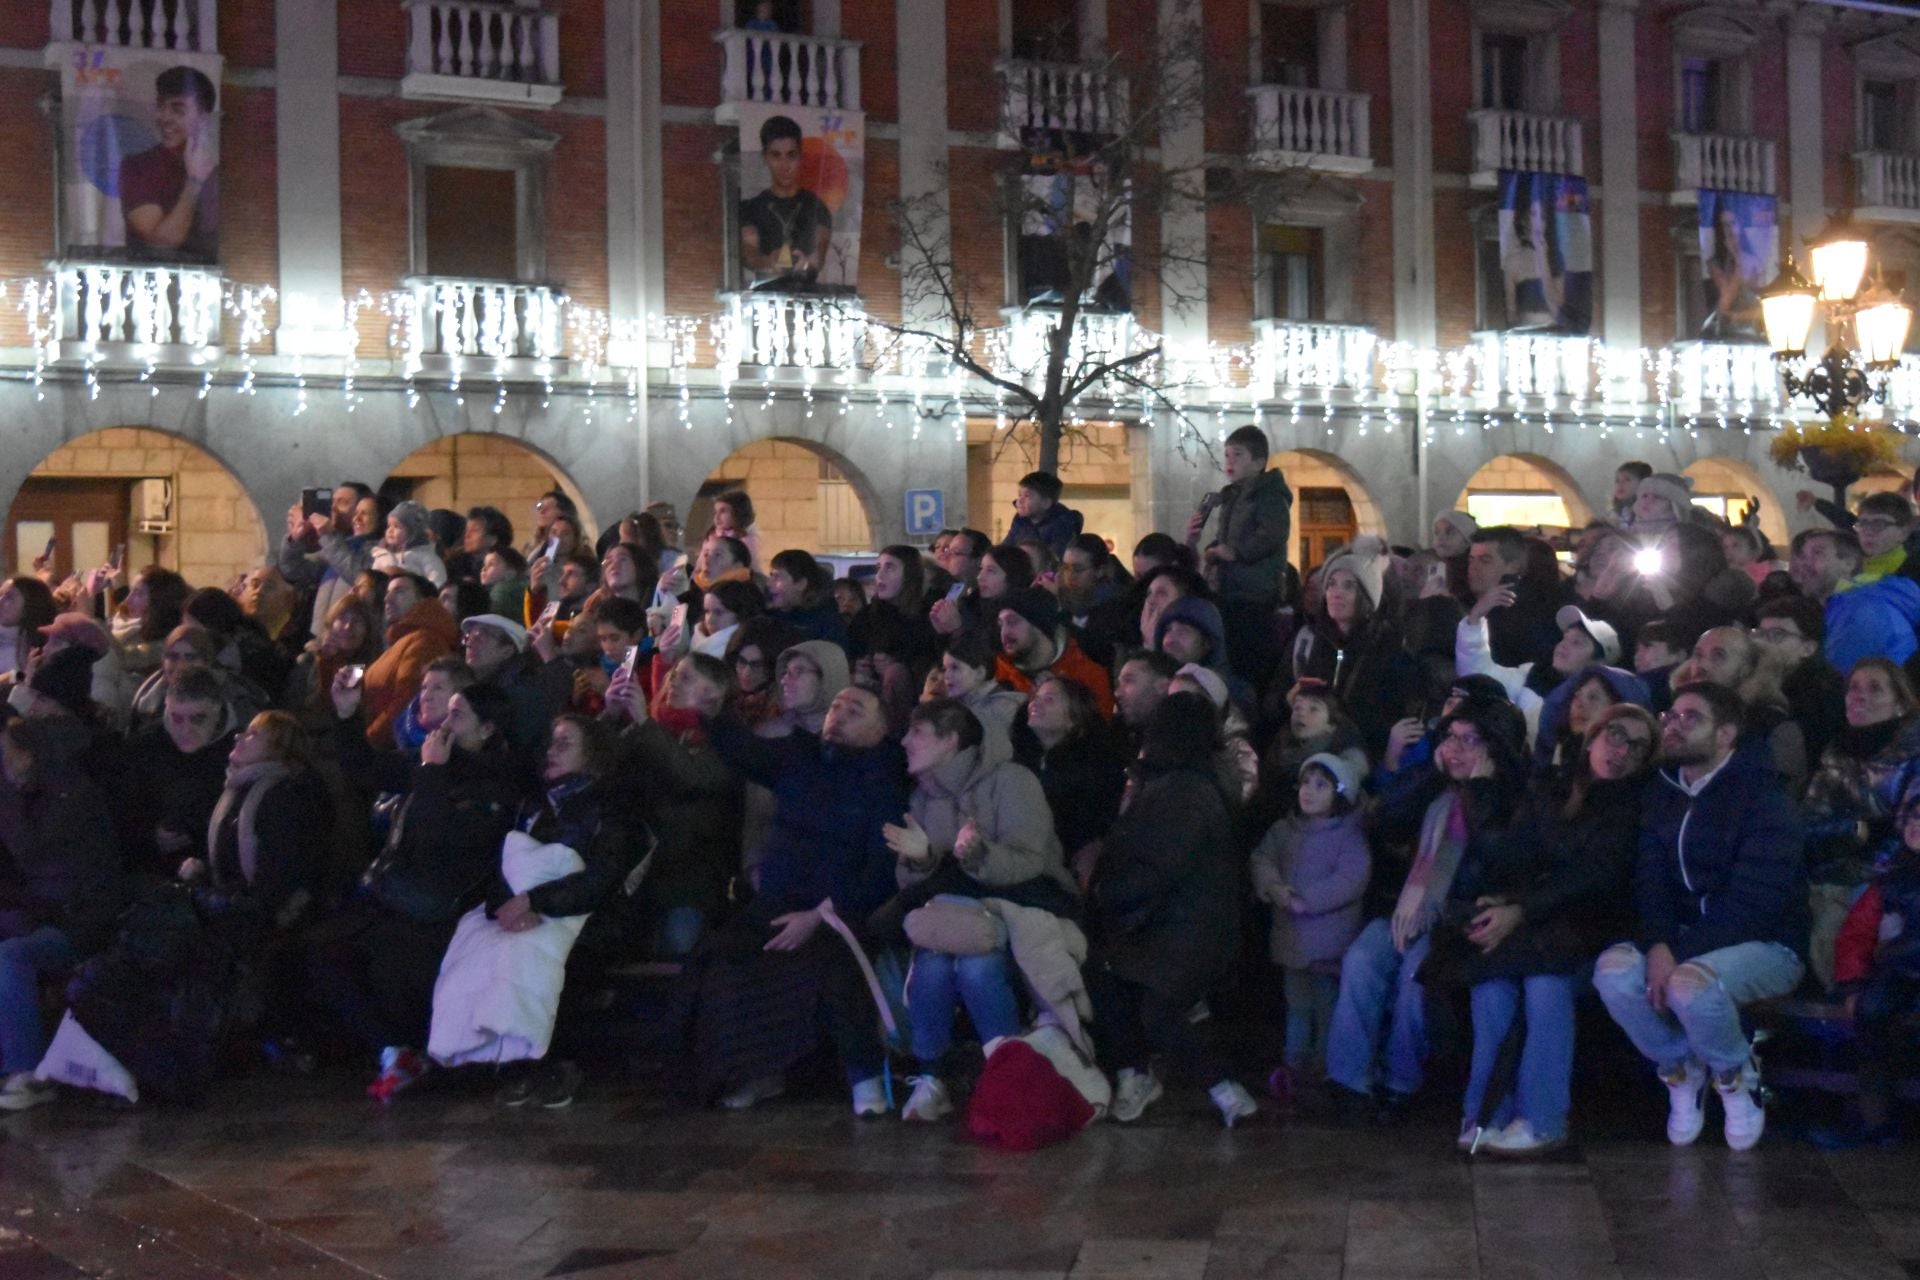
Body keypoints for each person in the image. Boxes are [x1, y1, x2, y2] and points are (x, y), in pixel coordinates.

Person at [61, 712, 333, 1103]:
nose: (241, 738)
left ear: (278, 749)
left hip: (262, 915)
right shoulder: (236, 792)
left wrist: (213, 899)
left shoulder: (287, 796)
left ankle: (172, 1065)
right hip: (229, 905)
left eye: (254, 735)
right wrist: (201, 872)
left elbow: (277, 880)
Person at [1592, 682, 1806, 1152]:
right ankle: (1679, 1068)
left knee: (1690, 984)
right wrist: (1660, 942)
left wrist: (1676, 954)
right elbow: (1650, 880)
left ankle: (1733, 1076)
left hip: (1767, 943)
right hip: (1683, 938)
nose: (1674, 725)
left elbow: (1756, 904)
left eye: (1692, 718)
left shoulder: (1764, 797)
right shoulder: (1662, 792)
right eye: (1672, 716)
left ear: (1726, 734)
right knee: (1612, 974)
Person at [1451, 704, 1656, 1155]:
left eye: (1638, 747)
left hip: (1592, 926)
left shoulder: (1633, 807)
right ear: (1594, 735)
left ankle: (1543, 1118)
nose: (1622, 751)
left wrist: (1520, 909)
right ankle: (1486, 1111)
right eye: (1616, 735)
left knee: (1545, 983)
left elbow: (1596, 878)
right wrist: (1482, 797)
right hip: (1536, 918)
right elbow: (1513, 855)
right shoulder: (1551, 788)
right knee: (1491, 983)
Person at [692, 687, 908, 1113]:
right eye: (836, 706)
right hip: (777, 903)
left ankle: (863, 1075)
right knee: (724, 960)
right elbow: (745, 752)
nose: (839, 713)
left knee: (827, 966)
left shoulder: (886, 779)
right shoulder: (800, 756)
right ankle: (755, 1071)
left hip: (843, 911)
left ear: (881, 728)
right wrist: (713, 711)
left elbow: (880, 872)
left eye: (855, 709)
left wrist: (820, 915)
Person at [304, 685, 520, 1102]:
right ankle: (394, 1049)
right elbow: (368, 768)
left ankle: (411, 1052)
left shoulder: (494, 781)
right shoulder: (438, 762)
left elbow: (442, 839)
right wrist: (348, 717)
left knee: (388, 966)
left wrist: (433, 773)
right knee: (323, 954)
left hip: (439, 908)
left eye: (458, 716)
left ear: (487, 728)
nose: (444, 723)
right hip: (392, 895)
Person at [1324, 698, 1526, 1122]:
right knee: (1362, 958)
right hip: (1408, 909)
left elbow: (1500, 864)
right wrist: (1430, 775)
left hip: (1458, 920)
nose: (1456, 749)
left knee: (1419, 974)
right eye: (1452, 737)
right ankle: (1349, 1083)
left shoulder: (1513, 797)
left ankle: (1402, 1083)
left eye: (1470, 741)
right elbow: (1381, 822)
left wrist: (1479, 791)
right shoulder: (1436, 786)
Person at [883, 699, 1073, 1121]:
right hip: (956, 915)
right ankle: (931, 1076)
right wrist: (921, 859)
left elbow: (1030, 861)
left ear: (950, 740)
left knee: (977, 969)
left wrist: (978, 855)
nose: (905, 741)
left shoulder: (1011, 781)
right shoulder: (924, 796)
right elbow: (912, 882)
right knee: (932, 963)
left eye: (918, 733)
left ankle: (1006, 1078)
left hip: (1017, 906)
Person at [1086, 693, 1261, 1128]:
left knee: (1155, 1009)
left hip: (1181, 924)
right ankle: (1138, 1075)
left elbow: (1159, 864)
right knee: (1113, 986)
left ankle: (1222, 1089)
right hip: (1178, 921)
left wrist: (1104, 892)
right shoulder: (1190, 782)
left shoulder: (1185, 790)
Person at [0, 717, 123, 1113]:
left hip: (79, 923)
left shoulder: (71, 800)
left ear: (27, 757)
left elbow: (38, 859)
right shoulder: (29, 799)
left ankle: (27, 1072)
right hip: (41, 913)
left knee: (12, 956)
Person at [602, 655, 744, 959]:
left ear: (716, 692)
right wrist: (611, 717)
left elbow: (693, 776)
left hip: (691, 878)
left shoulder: (727, 738)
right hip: (637, 872)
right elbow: (599, 768)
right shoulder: (652, 730)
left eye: (687, 678)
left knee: (678, 948)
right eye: (674, 675)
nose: (673, 682)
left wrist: (644, 723)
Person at [1249, 752, 1371, 1100]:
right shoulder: (1284, 830)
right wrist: (1273, 886)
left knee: (1326, 1008)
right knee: (1297, 1006)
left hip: (1328, 943)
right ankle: (1295, 1070)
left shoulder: (1349, 835)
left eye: (1321, 785)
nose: (1309, 791)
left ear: (1339, 793)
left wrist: (1305, 898)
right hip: (1293, 941)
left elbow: (1351, 878)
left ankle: (1324, 1071)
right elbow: (1261, 858)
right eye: (1305, 782)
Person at [1800, 659, 1920, 989]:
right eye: (1853, 688)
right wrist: (1858, 831)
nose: (1859, 696)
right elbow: (1808, 824)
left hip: (1892, 875)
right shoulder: (1838, 752)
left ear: (1900, 704)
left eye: (1874, 689)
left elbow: (1909, 832)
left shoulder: (1915, 754)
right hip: (1832, 870)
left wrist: (1857, 851)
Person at [1818, 801, 1920, 1148]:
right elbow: (1856, 936)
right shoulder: (1889, 881)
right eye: (1913, 818)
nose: (1916, 827)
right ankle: (1879, 1121)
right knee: (1870, 1013)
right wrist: (1853, 986)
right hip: (1897, 974)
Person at [1288, 536, 1424, 755]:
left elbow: (1395, 715)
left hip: (1368, 756)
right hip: (1320, 753)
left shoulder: (1390, 647)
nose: (1336, 593)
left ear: (1367, 597)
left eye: (1349, 586)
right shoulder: (1321, 641)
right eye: (1331, 584)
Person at [1185, 425, 1293, 684]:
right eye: (1227, 455)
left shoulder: (1268, 495)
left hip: (1253, 592)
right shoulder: (1233, 496)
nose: (1230, 461)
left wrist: (1237, 553)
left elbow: (1273, 533)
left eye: (1238, 455)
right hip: (1229, 590)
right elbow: (1228, 537)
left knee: (1248, 660)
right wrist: (1212, 549)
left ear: (1259, 462)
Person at [111, 668, 237, 883]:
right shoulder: (143, 748)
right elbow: (119, 814)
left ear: (217, 712)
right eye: (177, 718)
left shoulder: (237, 753)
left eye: (198, 719)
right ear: (167, 709)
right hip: (152, 874)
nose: (185, 729)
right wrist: (150, 836)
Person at [1014, 673, 1126, 871]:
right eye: (1035, 698)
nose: (1035, 704)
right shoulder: (1019, 758)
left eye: (1048, 700)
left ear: (1073, 718)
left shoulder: (1095, 770)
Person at [121, 65, 219, 261]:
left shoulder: (221, 173)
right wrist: (194, 182)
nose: (164, 117)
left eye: (178, 110)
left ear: (203, 117)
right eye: (160, 106)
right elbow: (162, 243)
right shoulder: (138, 166)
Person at [1789, 527, 1920, 673]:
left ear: (1848, 564)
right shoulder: (1848, 603)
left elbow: (1835, 678)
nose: (1803, 564)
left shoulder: (1861, 609)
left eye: (1817, 553)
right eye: (1803, 556)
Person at [354, 574, 460, 749]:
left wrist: (368, 740)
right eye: (388, 592)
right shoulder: (405, 639)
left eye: (399, 591)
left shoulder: (425, 640)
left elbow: (406, 700)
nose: (387, 598)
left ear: (423, 600)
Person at [739, 114, 833, 285]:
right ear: (765, 157)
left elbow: (820, 253)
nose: (784, 164)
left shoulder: (817, 207)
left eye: (791, 155)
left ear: (800, 157)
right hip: (763, 296)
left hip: (808, 297)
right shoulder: (751, 208)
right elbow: (749, 253)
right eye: (776, 155)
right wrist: (768, 262)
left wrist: (809, 264)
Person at [937, 627, 1026, 747]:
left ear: (979, 673)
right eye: (945, 668)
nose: (946, 675)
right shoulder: (957, 704)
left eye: (955, 668)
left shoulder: (1002, 709)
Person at [766, 549, 848, 649]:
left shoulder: (827, 624)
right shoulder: (769, 619)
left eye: (777, 577)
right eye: (771, 576)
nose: (769, 583)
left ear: (801, 584)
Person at [1005, 472, 1084, 558]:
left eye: (1027, 496)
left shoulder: (1061, 525)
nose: (1019, 500)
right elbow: (1007, 546)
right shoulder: (1020, 520)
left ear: (1046, 503)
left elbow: (1056, 559)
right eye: (1019, 495)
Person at [372, 501, 448, 590]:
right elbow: (372, 580)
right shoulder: (381, 555)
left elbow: (438, 582)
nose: (390, 530)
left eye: (396, 526)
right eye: (389, 526)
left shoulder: (426, 557)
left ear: (413, 531)